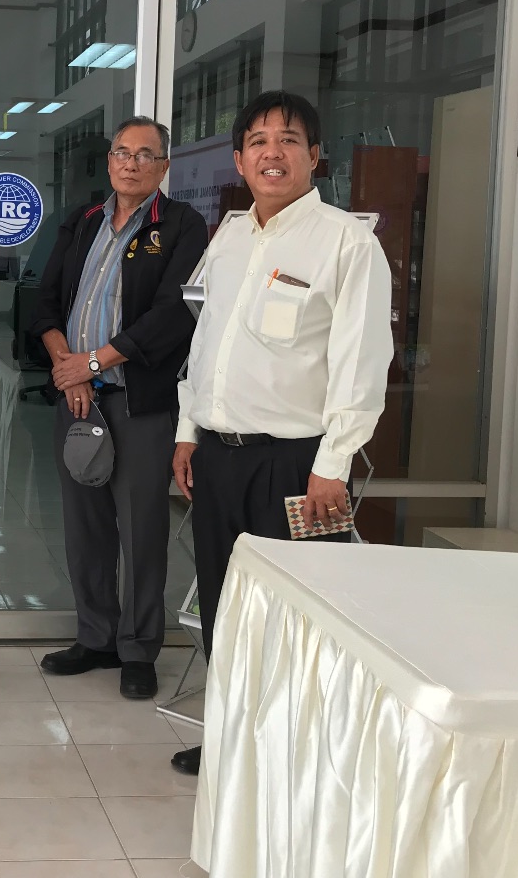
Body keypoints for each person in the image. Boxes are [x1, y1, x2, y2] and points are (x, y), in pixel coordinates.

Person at [168, 90, 393, 775]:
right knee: (225, 608)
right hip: (220, 458)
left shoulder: (346, 244)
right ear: (239, 158)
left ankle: (292, 755)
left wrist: (334, 464)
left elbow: (362, 363)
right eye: (259, 140)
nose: (273, 152)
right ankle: (234, 741)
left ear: (315, 157)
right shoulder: (232, 234)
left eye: (289, 140)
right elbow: (206, 342)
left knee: (296, 620)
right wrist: (187, 429)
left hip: (296, 466)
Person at [32, 116, 208, 700]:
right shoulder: (82, 222)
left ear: (163, 167)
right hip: (78, 398)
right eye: (121, 153)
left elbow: (172, 314)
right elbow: (46, 301)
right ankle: (96, 637)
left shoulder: (181, 225)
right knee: (85, 530)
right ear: (109, 162)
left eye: (145, 154)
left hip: (139, 403)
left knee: (141, 530)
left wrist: (96, 362)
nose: (130, 163)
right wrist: (68, 366)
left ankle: (138, 648)